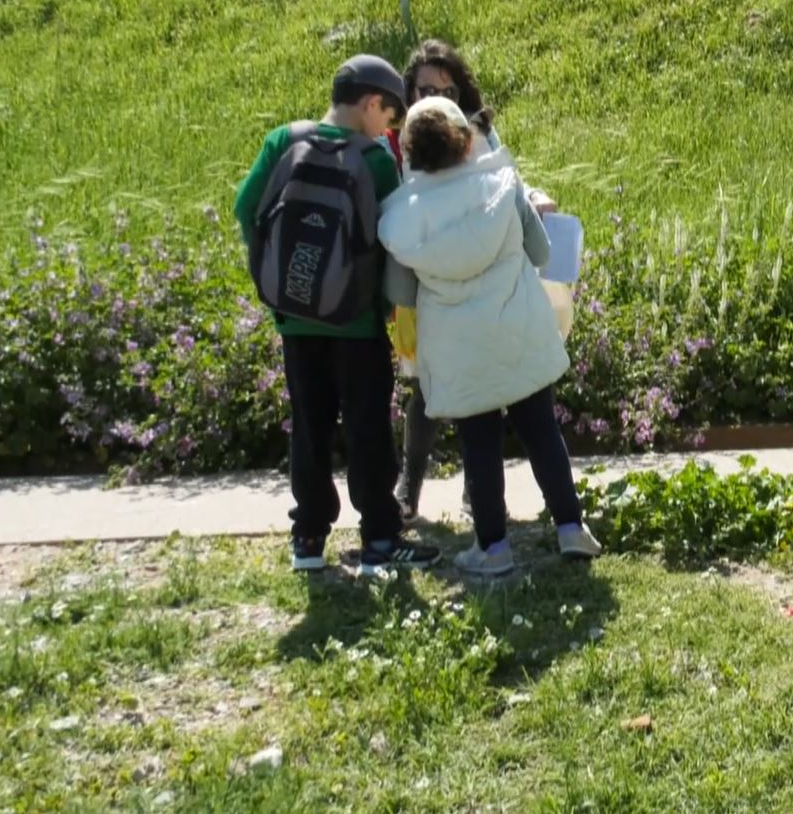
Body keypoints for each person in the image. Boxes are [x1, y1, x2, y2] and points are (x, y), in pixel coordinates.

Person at [233, 54, 441, 573]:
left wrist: (282, 273)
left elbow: (245, 207)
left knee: (309, 425)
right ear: (372, 103)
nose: (389, 126)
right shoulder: (372, 160)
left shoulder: (282, 141)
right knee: (368, 426)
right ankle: (379, 540)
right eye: (389, 115)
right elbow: (396, 236)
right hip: (357, 320)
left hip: (295, 319)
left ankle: (308, 537)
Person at [380, 97, 602, 577]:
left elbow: (400, 292)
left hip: (458, 347)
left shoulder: (401, 218)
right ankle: (571, 528)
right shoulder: (503, 186)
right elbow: (541, 252)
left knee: (478, 444)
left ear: (410, 152)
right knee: (542, 430)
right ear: (465, 139)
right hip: (518, 327)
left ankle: (493, 548)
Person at [389, 40, 556, 523]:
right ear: (409, 91)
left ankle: (476, 493)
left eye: (446, 88)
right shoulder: (398, 139)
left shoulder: (479, 131)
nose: (435, 96)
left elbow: (507, 180)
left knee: (486, 385)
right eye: (425, 88)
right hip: (428, 278)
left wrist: (533, 197)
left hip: (479, 281)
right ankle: (409, 484)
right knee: (425, 385)